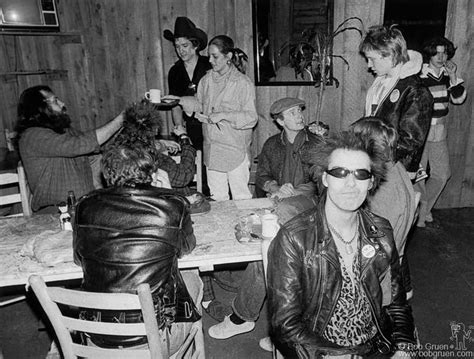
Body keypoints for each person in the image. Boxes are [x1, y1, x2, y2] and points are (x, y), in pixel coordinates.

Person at [267, 131, 416, 358]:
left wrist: (404, 346)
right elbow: (285, 326)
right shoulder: (294, 238)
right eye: (340, 172)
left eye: (361, 174)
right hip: (321, 350)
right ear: (325, 178)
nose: (351, 184)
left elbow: (397, 304)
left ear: (371, 182)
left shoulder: (381, 232)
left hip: (377, 346)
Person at [73, 143, 202, 356]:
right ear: (149, 172)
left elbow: (79, 260)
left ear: (106, 174)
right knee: (193, 276)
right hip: (154, 338)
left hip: (96, 335)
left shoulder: (85, 206)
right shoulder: (172, 205)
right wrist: (169, 194)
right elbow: (186, 247)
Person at [164, 35, 258, 201]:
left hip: (235, 150)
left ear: (228, 57)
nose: (211, 60)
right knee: (217, 199)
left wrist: (223, 115)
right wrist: (179, 100)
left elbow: (251, 117)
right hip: (212, 151)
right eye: (209, 56)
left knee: (241, 198)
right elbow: (200, 105)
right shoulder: (206, 81)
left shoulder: (242, 83)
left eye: (215, 56)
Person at [16, 85, 123, 213]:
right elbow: (81, 144)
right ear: (38, 108)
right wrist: (120, 120)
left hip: (84, 207)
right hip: (56, 213)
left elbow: (97, 144)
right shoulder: (32, 136)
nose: (62, 104)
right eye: (55, 101)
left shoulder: (65, 132)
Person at [351, 117, 417, 297]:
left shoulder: (383, 190)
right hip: (388, 267)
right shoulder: (396, 169)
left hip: (378, 282)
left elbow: (375, 247)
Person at [360, 25, 433, 178]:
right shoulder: (381, 83)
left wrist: (376, 155)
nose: (369, 65)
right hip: (377, 162)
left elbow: (410, 141)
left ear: (390, 55)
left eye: (372, 59)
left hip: (396, 168)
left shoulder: (416, 90)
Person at [416, 36, 467, 228]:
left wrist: (454, 76)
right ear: (429, 53)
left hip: (439, 130)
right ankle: (419, 215)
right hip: (420, 131)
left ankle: (423, 210)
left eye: (444, 52)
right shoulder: (419, 74)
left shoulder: (447, 74)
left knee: (442, 173)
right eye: (436, 52)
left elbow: (458, 99)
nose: (440, 56)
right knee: (418, 175)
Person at [164, 17, 212, 195]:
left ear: (195, 45)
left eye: (184, 46)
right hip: (190, 127)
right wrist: (179, 129)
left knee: (211, 172)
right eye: (177, 46)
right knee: (192, 170)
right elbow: (175, 105)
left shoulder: (209, 65)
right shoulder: (175, 71)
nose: (180, 51)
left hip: (211, 125)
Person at [256, 97, 324, 199]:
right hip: (277, 196)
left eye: (299, 111)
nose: (300, 116)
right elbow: (262, 175)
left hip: (309, 200)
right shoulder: (272, 144)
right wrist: (276, 188)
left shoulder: (314, 142)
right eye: (292, 113)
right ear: (280, 121)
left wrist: (293, 192)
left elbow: (321, 179)